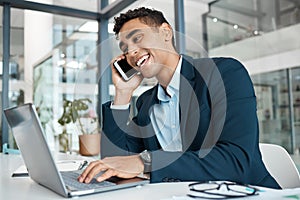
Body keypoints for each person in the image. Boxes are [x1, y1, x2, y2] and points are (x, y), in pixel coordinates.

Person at [78, 7, 280, 189]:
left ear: (166, 32)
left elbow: (236, 160)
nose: (130, 51)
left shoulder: (224, 73)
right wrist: (122, 94)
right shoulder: (146, 102)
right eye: (124, 49)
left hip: (250, 193)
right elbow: (114, 161)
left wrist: (145, 162)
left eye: (137, 38)